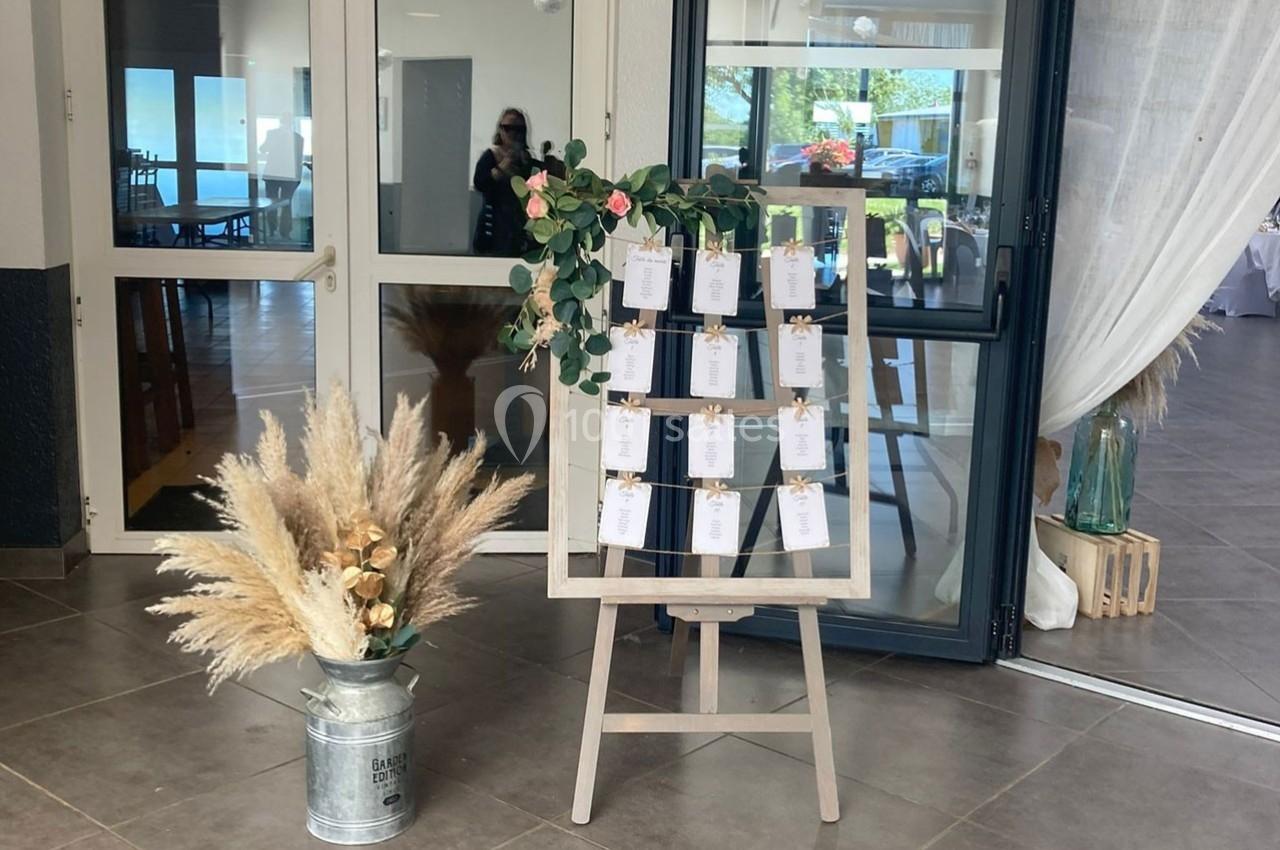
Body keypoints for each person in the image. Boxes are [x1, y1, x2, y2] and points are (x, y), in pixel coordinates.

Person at [472, 108, 539, 256]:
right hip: (495, 226)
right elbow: (480, 183)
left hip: (521, 227)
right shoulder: (491, 156)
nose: (514, 134)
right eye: (509, 128)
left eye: (519, 129)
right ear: (500, 131)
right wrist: (502, 167)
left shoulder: (528, 161)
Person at [260, 115, 305, 241]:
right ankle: (276, 230)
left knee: (282, 203)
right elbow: (263, 149)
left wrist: (297, 178)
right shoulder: (275, 135)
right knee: (277, 203)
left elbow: (298, 159)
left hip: (286, 176)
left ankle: (278, 231)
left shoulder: (298, 138)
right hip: (276, 175)